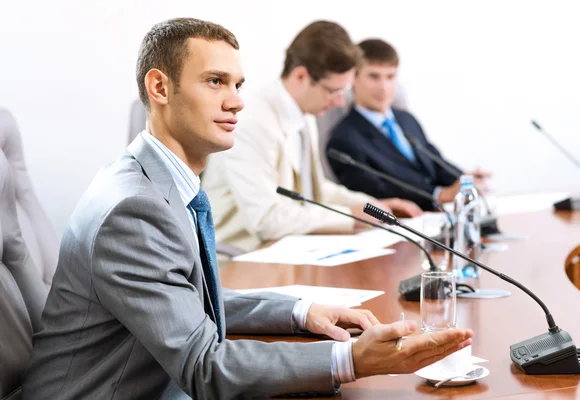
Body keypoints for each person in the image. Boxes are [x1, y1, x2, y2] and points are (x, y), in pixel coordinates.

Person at [22, 19, 472, 399]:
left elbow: (189, 299)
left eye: (238, 85)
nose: (237, 101)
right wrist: (350, 359)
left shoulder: (153, 182)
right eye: (215, 82)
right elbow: (205, 367)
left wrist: (300, 311)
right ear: (159, 87)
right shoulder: (135, 210)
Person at [202, 21, 423, 253]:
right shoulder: (253, 121)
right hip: (242, 258)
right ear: (300, 77)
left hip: (288, 251)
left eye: (343, 92)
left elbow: (315, 189)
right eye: (333, 91)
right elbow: (265, 219)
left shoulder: (305, 114)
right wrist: (350, 217)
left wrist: (369, 206)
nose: (340, 102)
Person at [327, 39, 490, 211]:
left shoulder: (406, 119)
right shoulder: (344, 139)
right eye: (374, 77)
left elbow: (435, 162)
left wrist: (465, 179)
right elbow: (376, 190)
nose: (383, 87)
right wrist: (439, 194)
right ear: (353, 78)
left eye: (390, 77)